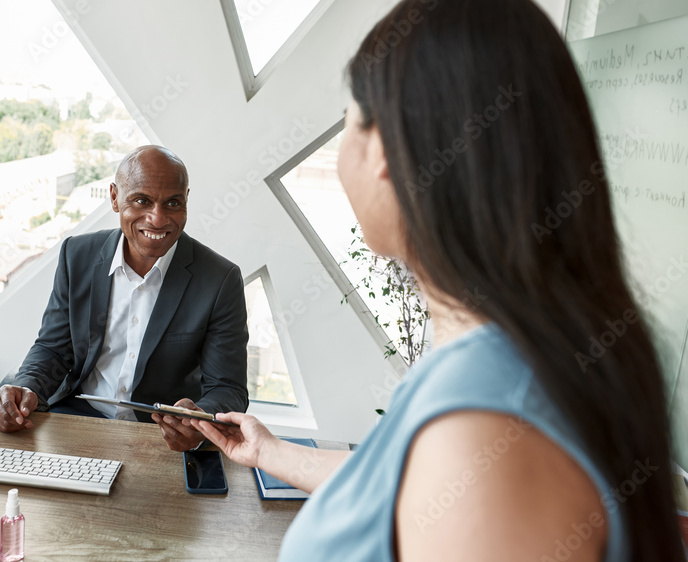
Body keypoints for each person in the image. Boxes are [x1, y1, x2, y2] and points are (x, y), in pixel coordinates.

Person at [191, 0, 685, 560]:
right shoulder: (511, 361)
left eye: (350, 119)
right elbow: (407, 490)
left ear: (388, 149)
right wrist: (275, 453)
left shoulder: (486, 430)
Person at [0, 145, 248, 452]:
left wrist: (200, 419)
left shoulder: (220, 279)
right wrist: (25, 387)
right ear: (114, 197)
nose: (158, 218)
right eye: (142, 200)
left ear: (186, 201)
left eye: (173, 203)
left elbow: (227, 388)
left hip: (161, 436)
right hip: (78, 418)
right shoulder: (77, 256)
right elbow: (53, 348)